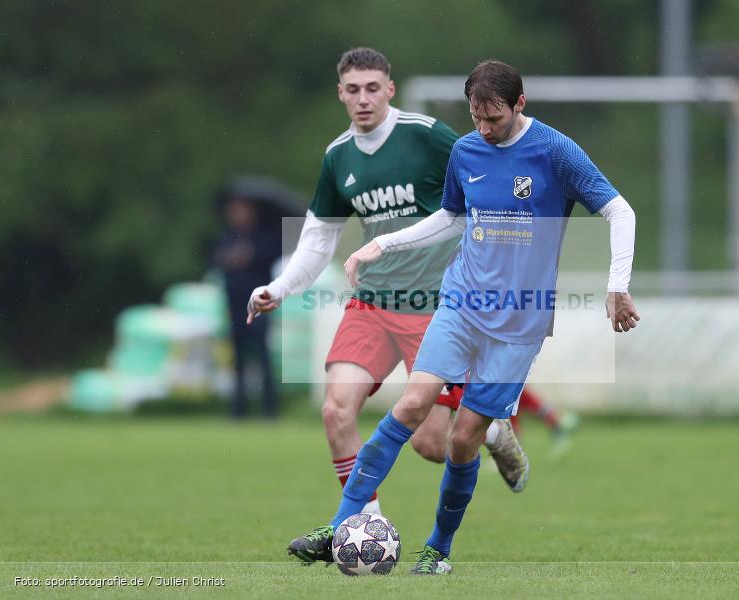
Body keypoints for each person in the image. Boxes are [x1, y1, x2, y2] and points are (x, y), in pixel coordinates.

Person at [287, 59, 639, 574]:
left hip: (519, 324)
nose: (483, 128)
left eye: (493, 117)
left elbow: (619, 210)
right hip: (461, 303)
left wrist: (617, 285)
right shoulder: (467, 150)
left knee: (461, 438)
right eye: (476, 117)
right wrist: (381, 244)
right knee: (410, 404)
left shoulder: (555, 151)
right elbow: (450, 216)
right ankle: (341, 523)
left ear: (519, 105)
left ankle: (438, 549)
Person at [246, 48, 530, 519]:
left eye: (372, 88)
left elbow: (478, 176)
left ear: (389, 90)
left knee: (433, 445)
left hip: (435, 306)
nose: (363, 99)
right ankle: (365, 526)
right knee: (336, 410)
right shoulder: (338, 157)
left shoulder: (426, 136)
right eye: (353, 90)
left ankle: (494, 430)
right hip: (373, 303)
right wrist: (279, 287)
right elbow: (319, 239)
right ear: (341, 93)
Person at [214, 193, 283, 419]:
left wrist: (250, 256)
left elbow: (273, 257)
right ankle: (238, 411)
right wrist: (231, 258)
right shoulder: (228, 236)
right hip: (234, 305)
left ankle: (269, 410)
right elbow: (217, 260)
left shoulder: (265, 236)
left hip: (260, 306)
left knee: (263, 357)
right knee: (238, 359)